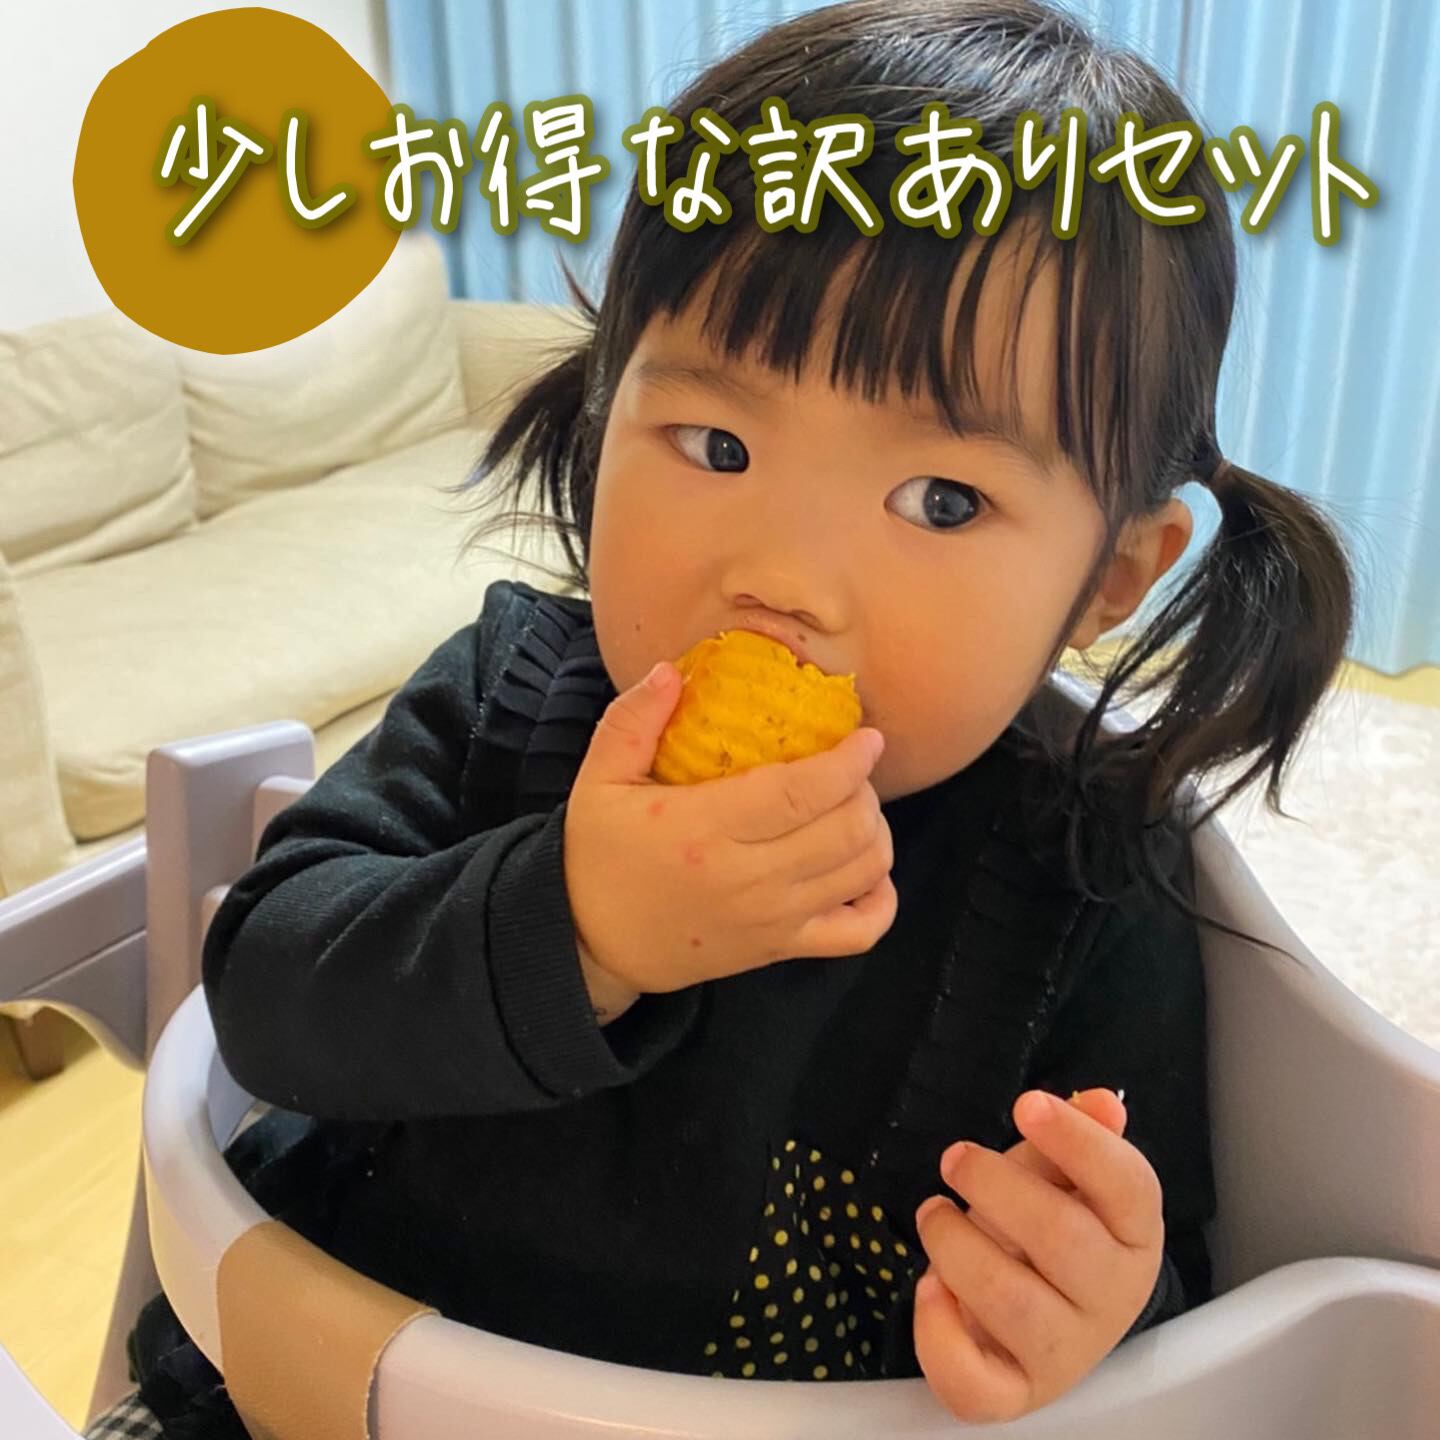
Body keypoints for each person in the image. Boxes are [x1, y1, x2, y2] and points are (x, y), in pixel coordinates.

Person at [85, 0, 1355, 1434]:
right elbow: (263, 1000)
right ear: (603, 412)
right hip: (309, 1395)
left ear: (1109, 579)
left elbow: (1160, 1283)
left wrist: (1093, 1309)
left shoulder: (1086, 879)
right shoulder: (508, 693)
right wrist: (572, 925)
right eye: (718, 443)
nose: (783, 578)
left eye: (943, 500)